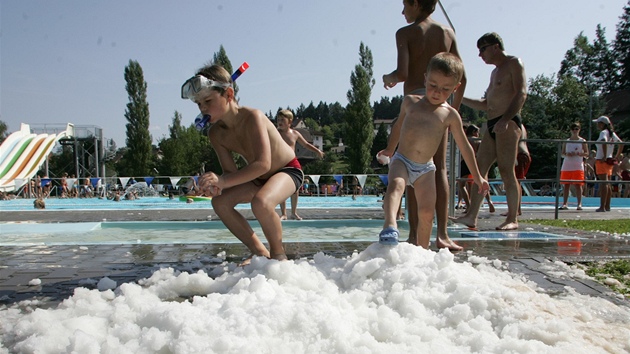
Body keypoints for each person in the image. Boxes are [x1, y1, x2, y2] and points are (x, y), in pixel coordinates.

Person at [182, 63, 304, 263]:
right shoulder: (216, 133)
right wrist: (217, 187)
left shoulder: (253, 117)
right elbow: (230, 174)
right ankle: (259, 252)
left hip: (287, 170)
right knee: (220, 202)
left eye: (208, 101)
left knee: (262, 203)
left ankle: (278, 255)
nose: (203, 108)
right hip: (257, 177)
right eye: (199, 104)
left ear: (228, 95)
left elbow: (263, 163)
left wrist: (222, 181)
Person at [377, 52, 489, 249]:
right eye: (433, 85)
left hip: (426, 169)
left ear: (456, 88)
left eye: (445, 89)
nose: (437, 92)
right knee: (395, 186)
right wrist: (389, 148)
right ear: (425, 78)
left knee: (427, 212)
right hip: (402, 159)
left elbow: (465, 147)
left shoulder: (450, 115)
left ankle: (423, 251)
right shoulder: (410, 102)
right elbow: (398, 127)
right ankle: (390, 226)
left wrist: (478, 176)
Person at [382, 0, 467, 250]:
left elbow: (404, 73)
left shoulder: (406, 33)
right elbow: (463, 74)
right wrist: (453, 111)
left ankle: (412, 234)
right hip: (443, 103)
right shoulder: (447, 33)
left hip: (418, 100)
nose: (403, 11)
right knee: (437, 169)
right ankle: (442, 233)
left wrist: (389, 78)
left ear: (417, 3)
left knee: (410, 166)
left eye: (405, 5)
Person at [453, 32, 527, 231]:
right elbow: (486, 104)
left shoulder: (514, 63)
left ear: (496, 46)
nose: (480, 55)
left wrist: (505, 119)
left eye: (482, 49)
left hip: (508, 122)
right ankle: (471, 216)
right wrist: (459, 96)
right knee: (479, 170)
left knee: (506, 170)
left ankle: (512, 218)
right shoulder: (495, 72)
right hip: (493, 123)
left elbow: (521, 94)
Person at [276, 109, 324, 220]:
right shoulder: (276, 133)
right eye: (278, 119)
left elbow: (306, 144)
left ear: (290, 122)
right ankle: (284, 213)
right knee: (281, 188)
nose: (280, 122)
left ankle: (293, 212)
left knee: (296, 188)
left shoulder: (295, 134)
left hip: (292, 161)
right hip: (280, 162)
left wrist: (317, 151)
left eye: (283, 120)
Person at [457, 124, 495, 213]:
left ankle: (468, 205)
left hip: (465, 162)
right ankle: (490, 202)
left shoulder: (464, 140)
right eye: (477, 132)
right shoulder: (478, 141)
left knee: (462, 185)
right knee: (481, 183)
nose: (478, 134)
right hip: (475, 162)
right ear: (474, 132)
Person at [593, 116, 623, 212]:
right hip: (610, 160)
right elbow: (621, 143)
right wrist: (616, 156)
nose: (597, 125)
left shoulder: (603, 133)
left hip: (602, 160)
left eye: (598, 123)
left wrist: (604, 156)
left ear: (602, 124)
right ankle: (607, 205)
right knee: (608, 183)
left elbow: (603, 142)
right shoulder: (612, 133)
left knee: (603, 183)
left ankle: (602, 206)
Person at [558, 122, 589, 211]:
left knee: (578, 185)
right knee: (566, 185)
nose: (575, 131)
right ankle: (565, 203)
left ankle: (579, 204)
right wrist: (567, 154)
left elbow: (587, 153)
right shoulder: (567, 141)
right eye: (573, 129)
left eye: (577, 129)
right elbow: (562, 153)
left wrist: (579, 153)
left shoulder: (582, 141)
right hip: (567, 165)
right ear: (571, 130)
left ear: (579, 130)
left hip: (578, 165)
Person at [513, 125, 531, 215]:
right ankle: (516, 208)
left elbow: (513, 142)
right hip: (524, 154)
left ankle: (516, 209)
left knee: (515, 183)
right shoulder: (522, 126)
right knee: (517, 182)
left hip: (520, 155)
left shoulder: (515, 125)